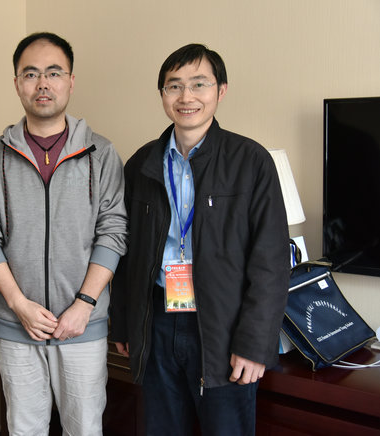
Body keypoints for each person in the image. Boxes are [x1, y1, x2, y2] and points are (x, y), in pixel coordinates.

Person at [109, 43, 289, 435]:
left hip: (224, 326)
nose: (186, 97)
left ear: (221, 90)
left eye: (199, 84)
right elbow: (126, 253)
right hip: (157, 321)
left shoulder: (251, 161)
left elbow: (271, 262)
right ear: (162, 95)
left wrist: (255, 343)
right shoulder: (141, 164)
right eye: (174, 86)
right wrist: (123, 324)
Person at [0, 32, 128, 435]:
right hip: (16, 326)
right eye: (31, 74)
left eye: (54, 73)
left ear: (70, 81)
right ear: (17, 83)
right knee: (24, 429)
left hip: (83, 325)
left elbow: (113, 231)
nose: (43, 83)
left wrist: (84, 305)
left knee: (84, 429)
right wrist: (18, 304)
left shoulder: (101, 153)